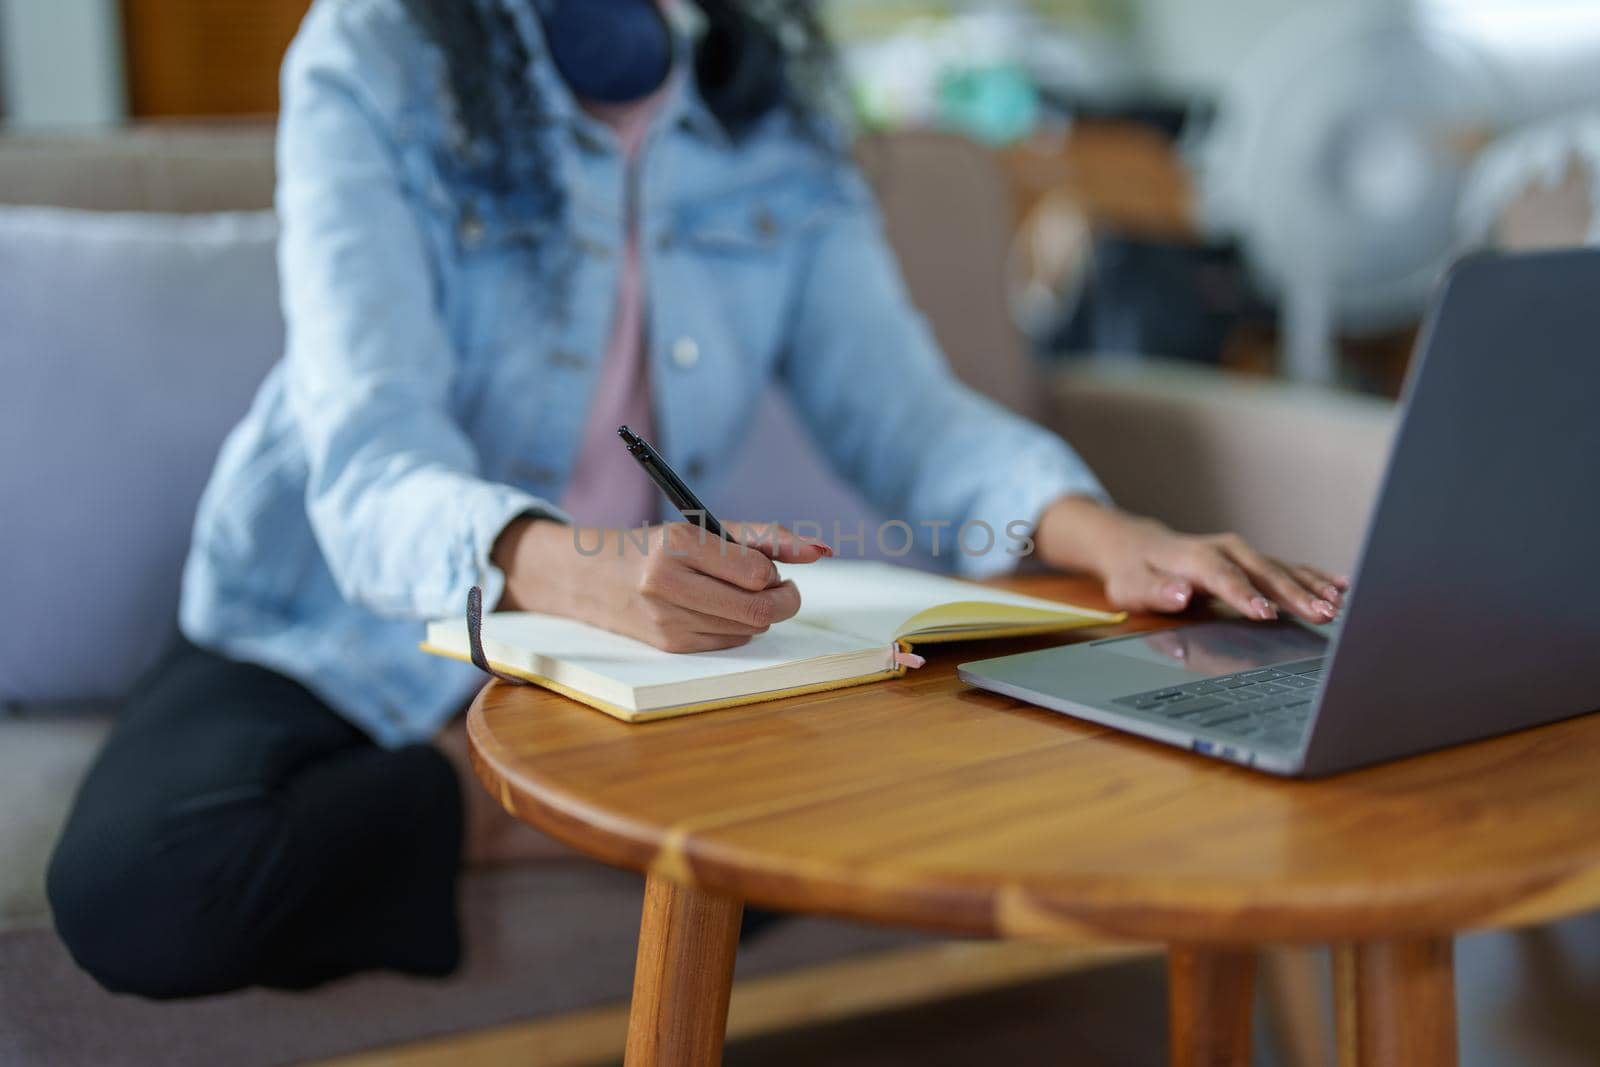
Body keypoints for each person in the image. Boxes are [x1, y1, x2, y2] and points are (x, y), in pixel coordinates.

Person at [47, 0, 1348, 999]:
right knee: (141, 890)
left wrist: (1115, 538)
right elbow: (368, 458)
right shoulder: (374, 53)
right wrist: (582, 569)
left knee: (958, 792)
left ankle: (564, 801)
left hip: (629, 644)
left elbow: (902, 410)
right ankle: (501, 792)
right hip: (334, 612)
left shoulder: (768, 115)